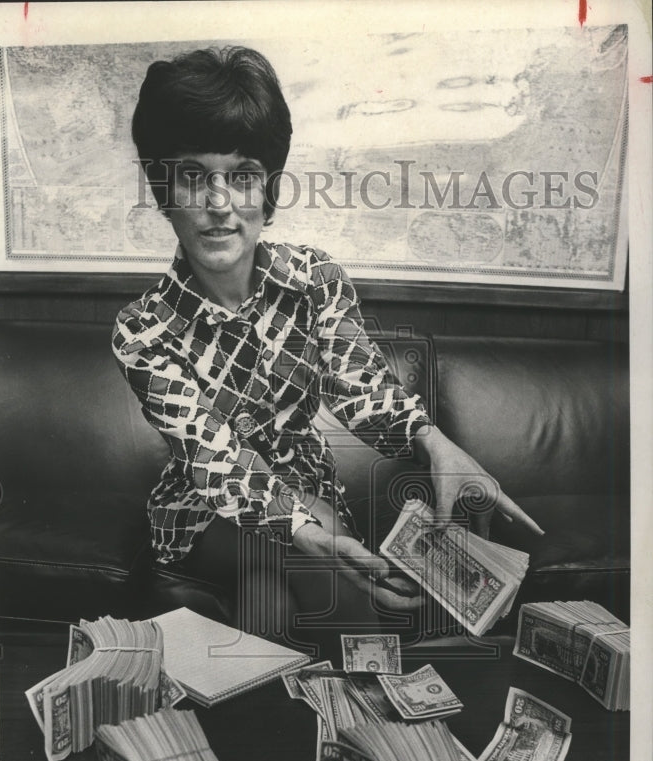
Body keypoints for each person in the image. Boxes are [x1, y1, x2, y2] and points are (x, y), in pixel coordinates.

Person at [112, 46, 542, 658]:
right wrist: (310, 529)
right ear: (162, 190)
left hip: (312, 494)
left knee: (311, 609)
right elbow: (217, 462)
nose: (219, 203)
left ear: (269, 190)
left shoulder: (314, 279)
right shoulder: (143, 330)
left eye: (241, 175)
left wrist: (437, 444)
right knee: (288, 590)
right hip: (208, 515)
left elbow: (360, 388)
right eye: (193, 175)